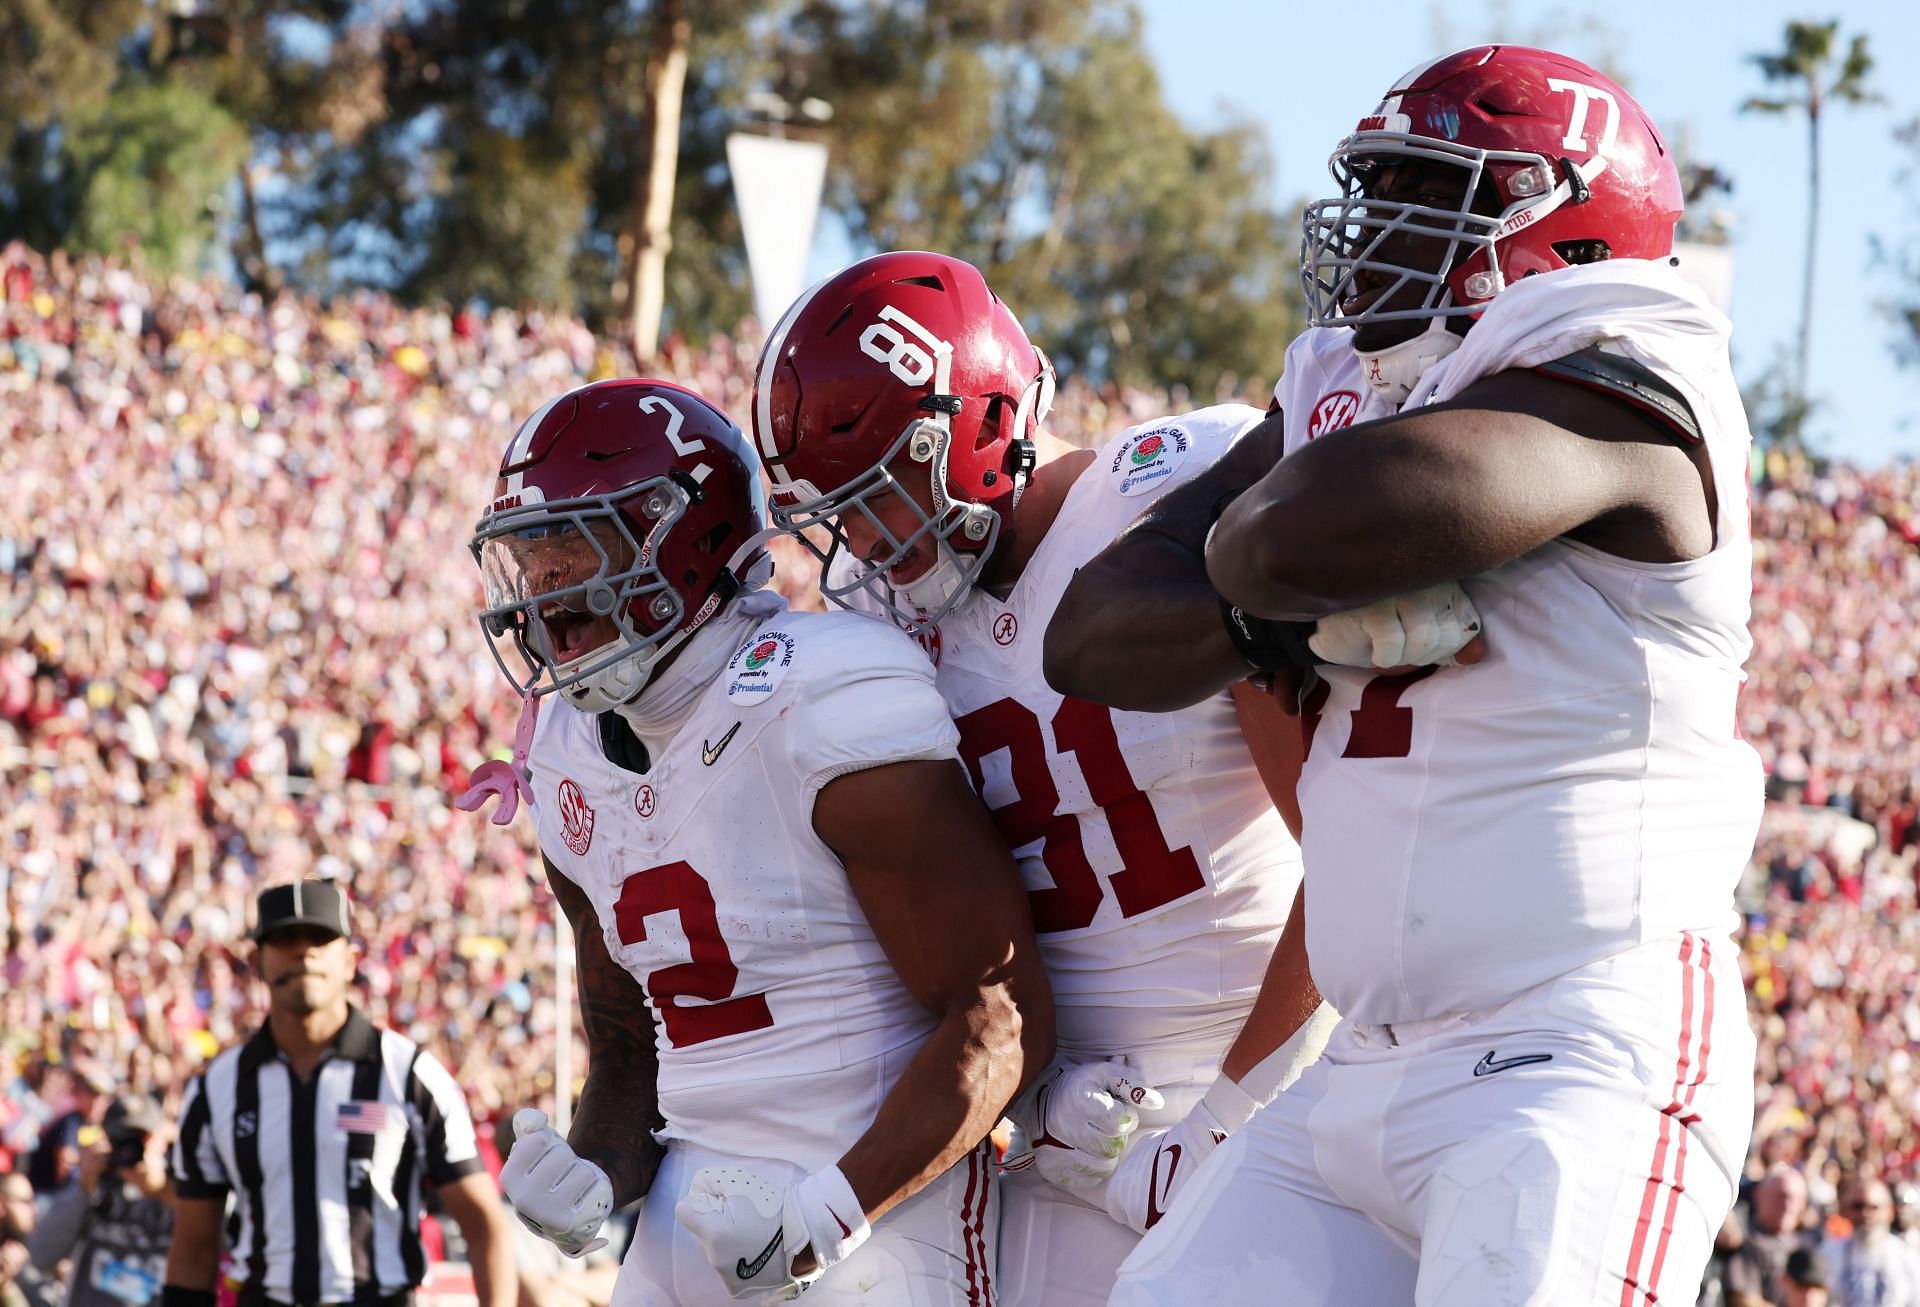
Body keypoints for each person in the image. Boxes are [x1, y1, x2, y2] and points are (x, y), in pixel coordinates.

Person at [1041, 45, 1764, 1305]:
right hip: (1361, 1065)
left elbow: (1287, 536)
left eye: (1426, 193)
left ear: (1569, 238)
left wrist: (1267, 589)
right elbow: (1092, 633)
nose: (1375, 231)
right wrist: (1297, 628)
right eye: (1374, 190)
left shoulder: (1636, 360)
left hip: (1574, 1047)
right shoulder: (1352, 382)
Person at [748, 251, 1464, 1304]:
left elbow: (1355, 853)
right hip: (1064, 1137)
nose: (862, 539)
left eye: (883, 491)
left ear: (981, 424)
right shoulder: (875, 627)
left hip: (1271, 1093)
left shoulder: (1164, 501)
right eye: (837, 510)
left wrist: (1222, 1119)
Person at [460, 377, 1053, 1304]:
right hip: (685, 1208)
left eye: (576, 552)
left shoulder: (823, 695)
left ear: (687, 537)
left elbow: (1000, 1020)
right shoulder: (567, 753)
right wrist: (593, 1174)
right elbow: (631, 1055)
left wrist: (821, 1219)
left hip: (875, 1201)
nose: (548, 599)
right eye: (532, 563)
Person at [161, 880, 516, 1307]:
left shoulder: (410, 1074)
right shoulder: (217, 1088)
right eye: (286, 938)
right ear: (257, 961)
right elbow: (194, 1247)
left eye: (320, 938)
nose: (304, 952)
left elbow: (483, 1224)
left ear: (350, 961)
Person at [28, 1094, 173, 1307]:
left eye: (141, 1138)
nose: (130, 1149)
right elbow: (41, 1257)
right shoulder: (94, 1186)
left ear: (160, 1139)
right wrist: (83, 1187)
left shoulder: (184, 1190)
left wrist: (165, 1191)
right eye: (120, 1139)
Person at [1821, 1177, 1920, 1307]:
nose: (1865, 1214)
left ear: (1890, 1211)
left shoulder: (1907, 1258)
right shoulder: (1827, 1254)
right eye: (1857, 1206)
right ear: (1844, 1211)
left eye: (1874, 1207)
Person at [1726, 1167, 1812, 1307]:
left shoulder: (1804, 1245)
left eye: (1797, 1199)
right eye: (1781, 1196)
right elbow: (1743, 1300)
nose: (1788, 1205)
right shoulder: (1748, 1239)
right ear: (1759, 1194)